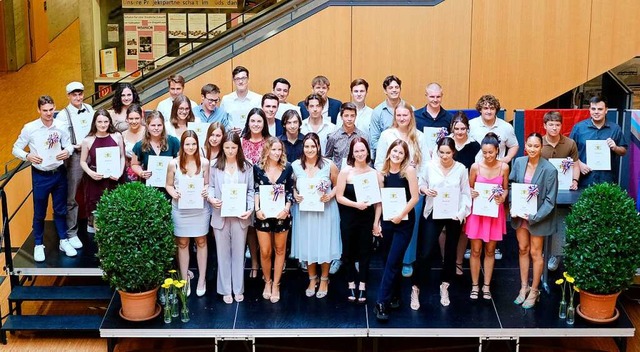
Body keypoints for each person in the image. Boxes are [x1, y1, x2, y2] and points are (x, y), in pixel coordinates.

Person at [12, 95, 78, 261]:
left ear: (54, 107)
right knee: (39, 212)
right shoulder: (30, 128)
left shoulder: (61, 125)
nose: (49, 113)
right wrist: (27, 156)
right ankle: (38, 244)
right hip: (41, 176)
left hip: (59, 173)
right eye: (45, 111)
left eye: (51, 110)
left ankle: (64, 240)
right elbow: (16, 148)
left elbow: (69, 144)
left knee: (60, 209)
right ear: (38, 110)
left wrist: (67, 151)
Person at [412, 137, 471, 310]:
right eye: (441, 152)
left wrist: (461, 213)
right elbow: (421, 183)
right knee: (426, 251)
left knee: (450, 253)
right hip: (433, 211)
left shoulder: (461, 169)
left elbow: (465, 193)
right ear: (437, 151)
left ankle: (445, 286)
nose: (444, 156)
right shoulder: (430, 167)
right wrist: (424, 189)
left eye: (448, 153)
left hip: (453, 215)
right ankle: (415, 288)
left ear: (453, 152)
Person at [374, 102, 427, 279]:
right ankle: (391, 261)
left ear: (411, 116)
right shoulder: (387, 135)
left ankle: (407, 261)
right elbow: (379, 161)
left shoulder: (419, 136)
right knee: (391, 226)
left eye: (405, 115)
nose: (402, 118)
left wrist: (419, 184)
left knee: (409, 226)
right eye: (399, 115)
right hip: (390, 187)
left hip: (412, 188)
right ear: (394, 117)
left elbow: (425, 164)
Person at [509, 133, 558, 309]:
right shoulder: (519, 162)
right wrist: (512, 206)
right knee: (523, 249)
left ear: (541, 147)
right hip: (520, 217)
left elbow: (550, 200)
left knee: (536, 253)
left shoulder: (550, 170)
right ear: (525, 145)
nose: (532, 149)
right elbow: (511, 186)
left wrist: (534, 217)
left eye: (536, 146)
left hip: (538, 218)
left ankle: (535, 290)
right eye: (529, 145)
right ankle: (524, 287)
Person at [373, 140, 419, 321]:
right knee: (389, 261)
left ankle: (381, 302)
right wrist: (376, 222)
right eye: (394, 151)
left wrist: (401, 215)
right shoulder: (381, 174)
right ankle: (395, 295)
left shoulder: (409, 171)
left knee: (393, 260)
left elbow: (415, 198)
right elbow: (380, 201)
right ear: (389, 152)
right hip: (387, 221)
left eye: (401, 153)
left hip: (404, 221)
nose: (397, 155)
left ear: (405, 156)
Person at [468, 94, 518, 261]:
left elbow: (514, 145)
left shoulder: (505, 127)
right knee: (475, 210)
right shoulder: (472, 125)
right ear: (480, 110)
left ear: (496, 109)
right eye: (485, 108)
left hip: (496, 173)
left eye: (491, 108)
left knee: (496, 206)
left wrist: (506, 159)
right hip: (477, 173)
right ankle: (473, 245)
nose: (488, 111)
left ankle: (493, 246)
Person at [291, 133, 341, 298]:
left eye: (313, 146)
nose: (310, 149)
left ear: (319, 147)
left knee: (324, 243)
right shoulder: (296, 165)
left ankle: (325, 278)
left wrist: (330, 195)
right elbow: (292, 185)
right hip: (305, 212)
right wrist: (295, 193)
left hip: (325, 210)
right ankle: (312, 278)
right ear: (303, 148)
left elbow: (338, 184)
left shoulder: (329, 164)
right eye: (307, 146)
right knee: (309, 243)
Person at [208, 132, 254, 304]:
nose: (230, 150)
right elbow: (210, 187)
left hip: (240, 215)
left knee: (238, 252)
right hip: (221, 214)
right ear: (222, 147)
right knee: (222, 253)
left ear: (238, 147)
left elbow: (250, 191)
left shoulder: (247, 166)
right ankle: (226, 289)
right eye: (226, 147)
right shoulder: (214, 166)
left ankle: (238, 288)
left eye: (233, 147)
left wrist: (250, 210)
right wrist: (212, 199)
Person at [335, 137, 381, 303]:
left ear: (367, 151)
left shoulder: (374, 173)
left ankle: (362, 284)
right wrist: (356, 204)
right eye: (356, 151)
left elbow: (379, 202)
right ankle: (351, 282)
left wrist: (376, 222)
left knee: (365, 253)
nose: (360, 154)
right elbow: (339, 197)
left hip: (366, 219)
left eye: (363, 150)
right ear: (352, 153)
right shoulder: (346, 172)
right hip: (349, 217)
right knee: (348, 252)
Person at [166, 131, 211, 297]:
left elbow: (208, 184)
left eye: (193, 144)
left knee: (201, 241)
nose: (191, 147)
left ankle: (202, 279)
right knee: (183, 243)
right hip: (180, 209)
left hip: (200, 209)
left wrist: (206, 189)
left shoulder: (205, 163)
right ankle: (184, 278)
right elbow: (168, 185)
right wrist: (174, 193)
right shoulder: (174, 164)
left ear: (197, 145)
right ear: (182, 146)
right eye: (187, 144)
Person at [466, 132, 508, 300]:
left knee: (490, 251)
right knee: (475, 251)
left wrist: (504, 196)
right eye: (484, 152)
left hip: (494, 213)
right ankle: (475, 285)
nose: (488, 155)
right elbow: (468, 188)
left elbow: (505, 188)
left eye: (491, 152)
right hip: (478, 214)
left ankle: (486, 286)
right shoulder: (475, 167)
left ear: (497, 150)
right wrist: (472, 192)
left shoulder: (504, 167)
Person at [253, 137, 294, 303]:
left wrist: (286, 209)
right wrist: (257, 209)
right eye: (274, 149)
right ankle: (267, 281)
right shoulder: (258, 168)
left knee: (280, 250)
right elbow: (255, 190)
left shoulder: (287, 167)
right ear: (267, 150)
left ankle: (276, 284)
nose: (277, 153)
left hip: (281, 215)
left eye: (279, 150)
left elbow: (290, 191)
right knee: (265, 251)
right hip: (263, 214)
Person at [540, 111, 580, 271]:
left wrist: (575, 181)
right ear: (544, 126)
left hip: (563, 191)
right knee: (542, 221)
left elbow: (576, 164)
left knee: (560, 221)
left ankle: (555, 255)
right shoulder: (538, 142)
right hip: (543, 191)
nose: (554, 128)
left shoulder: (570, 143)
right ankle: (541, 252)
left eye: (557, 125)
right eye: (551, 124)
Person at [57, 81, 94, 244]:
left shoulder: (90, 109)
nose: (78, 97)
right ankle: (71, 232)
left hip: (92, 154)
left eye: (80, 94)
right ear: (68, 96)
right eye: (74, 94)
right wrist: (73, 146)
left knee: (93, 189)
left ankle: (93, 223)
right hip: (75, 157)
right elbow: (61, 140)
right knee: (72, 195)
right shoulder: (63, 115)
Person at [447, 112, 482, 276]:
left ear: (468, 128)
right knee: (444, 228)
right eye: (457, 128)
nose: (460, 132)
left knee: (462, 227)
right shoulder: (445, 142)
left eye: (463, 128)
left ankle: (458, 261)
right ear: (452, 127)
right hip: (446, 191)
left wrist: (471, 189)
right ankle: (446, 260)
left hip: (467, 191)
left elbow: (479, 170)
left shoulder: (475, 146)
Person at [79, 109, 125, 232]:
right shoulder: (87, 140)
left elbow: (122, 156)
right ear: (94, 122)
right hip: (95, 181)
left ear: (110, 122)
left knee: (115, 214)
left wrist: (119, 173)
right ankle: (101, 248)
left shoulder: (117, 136)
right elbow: (82, 161)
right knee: (98, 215)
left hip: (113, 181)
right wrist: (90, 173)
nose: (103, 125)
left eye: (105, 121)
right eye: (99, 122)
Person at [569, 95, 627, 188]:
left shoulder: (615, 128)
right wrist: (579, 164)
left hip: (607, 180)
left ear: (606, 110)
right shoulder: (579, 128)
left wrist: (615, 148)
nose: (596, 112)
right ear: (589, 110)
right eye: (593, 109)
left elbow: (623, 151)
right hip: (584, 179)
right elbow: (569, 151)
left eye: (600, 109)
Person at [241, 107, 270, 278]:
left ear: (264, 123)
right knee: (250, 227)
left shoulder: (269, 141)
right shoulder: (241, 141)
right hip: (244, 189)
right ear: (248, 122)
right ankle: (254, 261)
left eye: (259, 121)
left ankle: (266, 259)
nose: (256, 124)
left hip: (264, 190)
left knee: (263, 226)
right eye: (253, 121)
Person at [130, 111, 181, 194]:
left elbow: (181, 161)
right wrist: (141, 172)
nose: (156, 128)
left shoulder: (173, 142)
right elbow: (134, 164)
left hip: (171, 189)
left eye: (159, 125)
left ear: (163, 126)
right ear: (147, 126)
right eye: (153, 125)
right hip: (149, 191)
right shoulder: (140, 145)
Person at [414, 82, 453, 159]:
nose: (435, 100)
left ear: (442, 96)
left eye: (438, 97)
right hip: (421, 159)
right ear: (426, 96)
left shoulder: (450, 117)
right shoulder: (415, 116)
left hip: (443, 159)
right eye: (432, 97)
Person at [325, 102, 369, 170]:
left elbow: (368, 159)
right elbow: (327, 159)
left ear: (355, 116)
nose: (349, 119)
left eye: (352, 116)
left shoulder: (363, 137)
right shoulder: (333, 137)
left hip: (358, 175)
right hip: (338, 176)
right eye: (346, 116)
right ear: (341, 117)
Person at [220, 66, 262, 134]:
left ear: (248, 79)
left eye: (243, 78)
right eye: (237, 79)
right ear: (233, 81)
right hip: (232, 140)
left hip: (253, 138)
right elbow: (222, 122)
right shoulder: (226, 99)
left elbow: (262, 121)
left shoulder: (258, 99)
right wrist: (229, 130)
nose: (240, 81)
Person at [369, 75, 404, 158]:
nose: (394, 90)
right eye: (390, 88)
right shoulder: (377, 112)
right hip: (384, 157)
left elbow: (414, 135)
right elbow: (374, 139)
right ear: (385, 90)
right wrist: (390, 153)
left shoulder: (410, 110)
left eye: (397, 87)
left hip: (405, 156)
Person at [121, 104, 145, 182]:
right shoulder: (123, 134)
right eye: (131, 119)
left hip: (145, 171)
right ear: (127, 119)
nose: (134, 121)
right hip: (128, 173)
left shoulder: (148, 132)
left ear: (141, 118)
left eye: (137, 118)